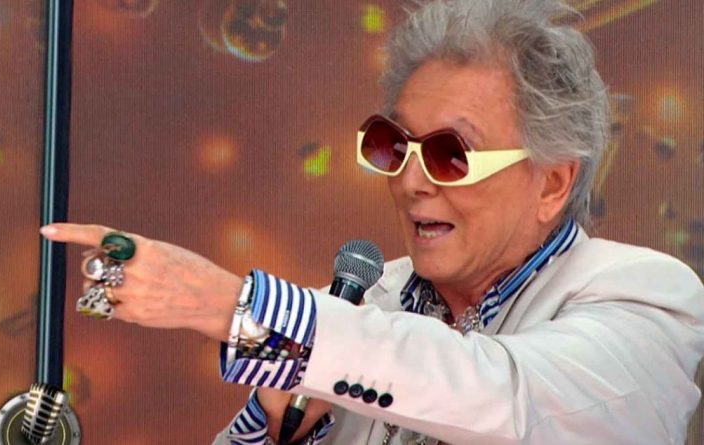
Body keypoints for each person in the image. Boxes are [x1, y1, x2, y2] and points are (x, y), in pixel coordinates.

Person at [39, 0, 704, 443]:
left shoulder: (646, 295)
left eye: (450, 154)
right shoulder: (360, 304)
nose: (411, 180)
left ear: (552, 183)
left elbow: (507, 394)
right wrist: (284, 432)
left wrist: (234, 307)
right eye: (394, 145)